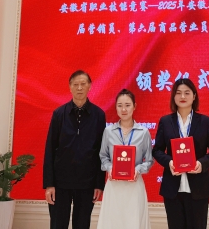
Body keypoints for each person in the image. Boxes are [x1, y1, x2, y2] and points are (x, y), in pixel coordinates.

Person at [152, 77, 209, 229]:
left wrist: (201, 164)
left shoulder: (205, 121)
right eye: (178, 93)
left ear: (194, 96)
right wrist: (169, 162)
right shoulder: (166, 121)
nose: (182, 96)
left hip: (198, 188)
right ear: (173, 96)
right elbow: (157, 150)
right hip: (172, 188)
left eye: (187, 92)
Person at [43, 70, 106, 229]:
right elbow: (50, 149)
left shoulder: (99, 115)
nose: (79, 88)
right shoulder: (59, 114)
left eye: (83, 84)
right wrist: (49, 184)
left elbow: (101, 151)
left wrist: (99, 184)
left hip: (87, 182)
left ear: (90, 86)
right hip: (60, 182)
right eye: (76, 84)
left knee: (82, 224)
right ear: (70, 87)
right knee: (58, 224)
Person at [97, 89, 152, 229]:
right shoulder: (109, 131)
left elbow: (149, 160)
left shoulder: (143, 133)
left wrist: (137, 169)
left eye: (127, 105)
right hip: (114, 185)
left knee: (133, 222)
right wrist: (110, 168)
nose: (123, 109)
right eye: (120, 105)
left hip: (134, 186)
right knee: (112, 222)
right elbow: (103, 156)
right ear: (115, 107)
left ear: (134, 106)